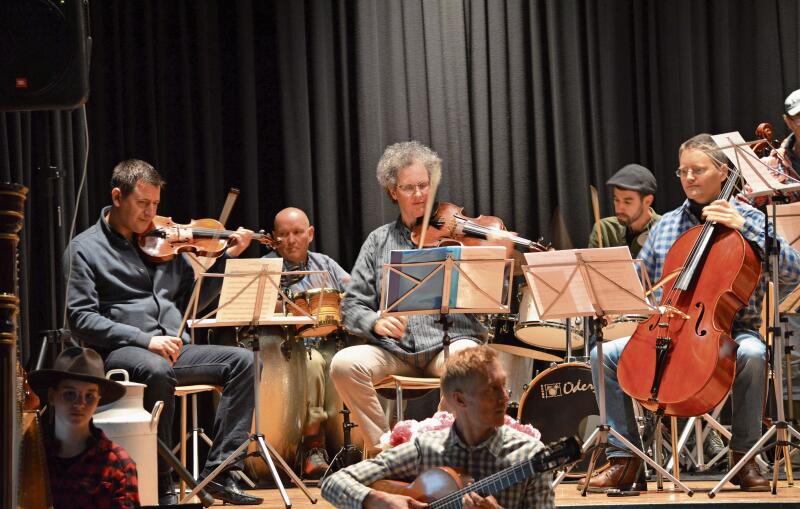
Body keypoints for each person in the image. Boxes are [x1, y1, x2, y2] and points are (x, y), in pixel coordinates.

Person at [580, 134, 800, 493]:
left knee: (754, 354)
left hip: (730, 332)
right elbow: (640, 284)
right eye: (683, 171)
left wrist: (746, 228)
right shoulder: (666, 224)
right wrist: (614, 302)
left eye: (698, 170)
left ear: (723, 170)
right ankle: (625, 459)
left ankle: (743, 458)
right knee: (602, 355)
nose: (689, 178)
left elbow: (794, 270)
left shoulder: (749, 220)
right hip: (669, 327)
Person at [63, 159, 262, 505]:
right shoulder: (84, 248)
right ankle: (162, 482)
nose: (151, 213)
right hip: (121, 351)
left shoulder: (163, 245)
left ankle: (219, 472)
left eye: (156, 204)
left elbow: (194, 300)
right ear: (117, 196)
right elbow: (81, 318)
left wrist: (227, 257)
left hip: (172, 348)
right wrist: (145, 340)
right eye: (143, 204)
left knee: (244, 361)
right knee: (156, 369)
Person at [331, 141, 487, 454]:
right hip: (394, 351)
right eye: (409, 187)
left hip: (446, 343)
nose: (419, 195)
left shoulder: (455, 238)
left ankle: (439, 447)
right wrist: (375, 323)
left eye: (424, 185)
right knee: (343, 365)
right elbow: (351, 305)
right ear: (393, 192)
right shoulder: (378, 241)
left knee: (467, 360)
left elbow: (484, 293)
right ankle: (387, 450)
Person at [321, 345, 554, 509]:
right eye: (491, 390)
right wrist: (376, 499)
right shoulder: (427, 448)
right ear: (460, 400)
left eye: (504, 386)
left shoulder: (530, 454)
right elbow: (332, 482)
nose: (504, 397)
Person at [264, 206, 351, 478]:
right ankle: (313, 448)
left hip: (328, 344)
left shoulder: (325, 264)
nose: (291, 240)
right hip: (287, 352)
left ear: (310, 234)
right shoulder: (266, 268)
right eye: (284, 234)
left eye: (298, 232)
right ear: (273, 237)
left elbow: (354, 294)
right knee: (312, 364)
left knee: (348, 360)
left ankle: (352, 448)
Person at [29, 347, 138, 509]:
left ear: (98, 401)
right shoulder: (32, 455)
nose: (80, 404)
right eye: (69, 394)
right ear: (52, 396)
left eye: (89, 396)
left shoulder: (119, 464)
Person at [588, 163, 660, 257]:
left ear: (647, 201)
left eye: (627, 202)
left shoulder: (665, 230)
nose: (620, 207)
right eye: (616, 200)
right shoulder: (603, 229)